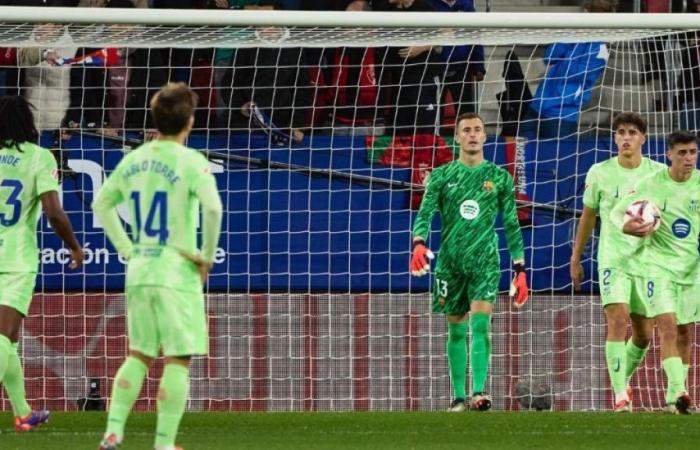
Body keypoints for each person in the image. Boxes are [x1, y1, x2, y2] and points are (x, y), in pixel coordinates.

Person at [94, 82, 223, 450]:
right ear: (190, 122)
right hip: (176, 269)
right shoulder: (191, 161)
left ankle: (113, 431)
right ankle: (164, 444)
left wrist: (128, 249)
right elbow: (213, 208)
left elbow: (101, 204)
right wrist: (207, 256)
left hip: (141, 268)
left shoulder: (135, 157)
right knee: (177, 359)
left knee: (139, 354)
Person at [410, 112, 528, 412]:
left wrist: (519, 268)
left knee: (481, 324)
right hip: (450, 262)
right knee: (457, 330)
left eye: (478, 129)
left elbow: (512, 224)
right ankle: (458, 397)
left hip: (485, 261)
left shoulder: (500, 177)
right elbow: (423, 215)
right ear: (457, 137)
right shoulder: (441, 175)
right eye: (467, 130)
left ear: (485, 136)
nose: (473, 134)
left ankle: (478, 392)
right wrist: (418, 244)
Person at [570, 112, 665, 411]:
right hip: (613, 257)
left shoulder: (658, 173)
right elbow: (588, 217)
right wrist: (576, 257)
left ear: (643, 138)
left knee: (643, 334)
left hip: (648, 261)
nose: (626, 138)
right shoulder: (600, 172)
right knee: (617, 319)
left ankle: (621, 378)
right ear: (614, 138)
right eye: (621, 132)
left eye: (632, 133)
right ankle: (620, 395)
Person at [0, 95, 84, 431]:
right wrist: (75, 247)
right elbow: (53, 211)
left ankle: (23, 413)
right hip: (15, 260)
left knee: (11, 339)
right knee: (3, 337)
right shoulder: (38, 157)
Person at [612, 129, 699, 414]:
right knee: (668, 326)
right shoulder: (651, 184)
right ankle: (677, 392)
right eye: (682, 153)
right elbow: (619, 214)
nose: (688, 158)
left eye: (693, 152)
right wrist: (629, 227)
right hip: (657, 266)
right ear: (669, 155)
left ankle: (676, 397)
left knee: (686, 331)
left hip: (691, 268)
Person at [519, 0, 613, 140]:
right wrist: (570, 36)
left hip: (562, 116)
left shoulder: (601, 51)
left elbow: (571, 73)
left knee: (553, 160)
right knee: (522, 157)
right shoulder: (572, 36)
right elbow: (548, 58)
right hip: (536, 106)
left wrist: (576, 40)